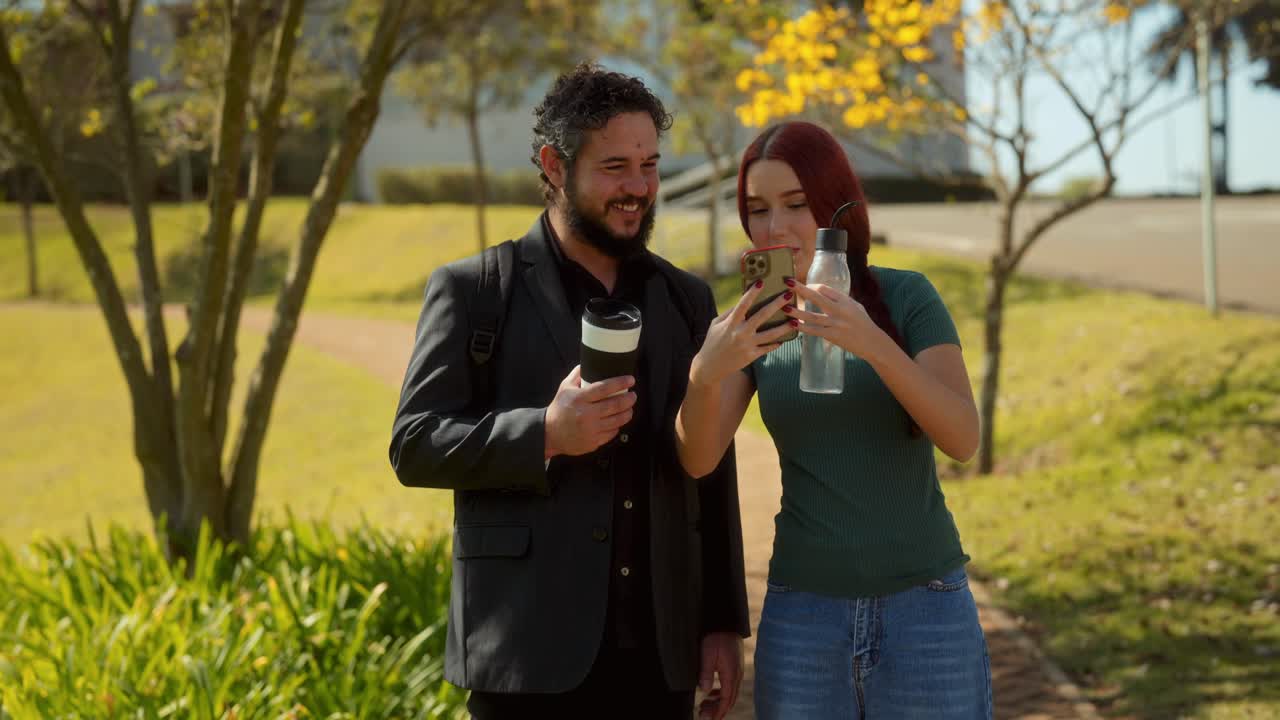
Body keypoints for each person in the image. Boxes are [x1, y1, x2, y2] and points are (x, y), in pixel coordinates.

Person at [389, 63, 749, 720]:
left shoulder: (688, 299)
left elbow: (711, 469)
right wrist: (545, 434)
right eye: (615, 167)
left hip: (658, 661)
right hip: (523, 656)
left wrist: (722, 619)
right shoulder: (473, 291)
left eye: (649, 165)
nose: (638, 188)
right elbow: (414, 444)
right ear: (555, 165)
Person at [675, 121, 992, 719]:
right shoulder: (756, 324)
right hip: (804, 616)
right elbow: (697, 457)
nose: (776, 227)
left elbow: (962, 437)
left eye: (796, 204)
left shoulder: (906, 297)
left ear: (834, 203)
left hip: (925, 608)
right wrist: (704, 372)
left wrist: (871, 342)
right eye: (757, 209)